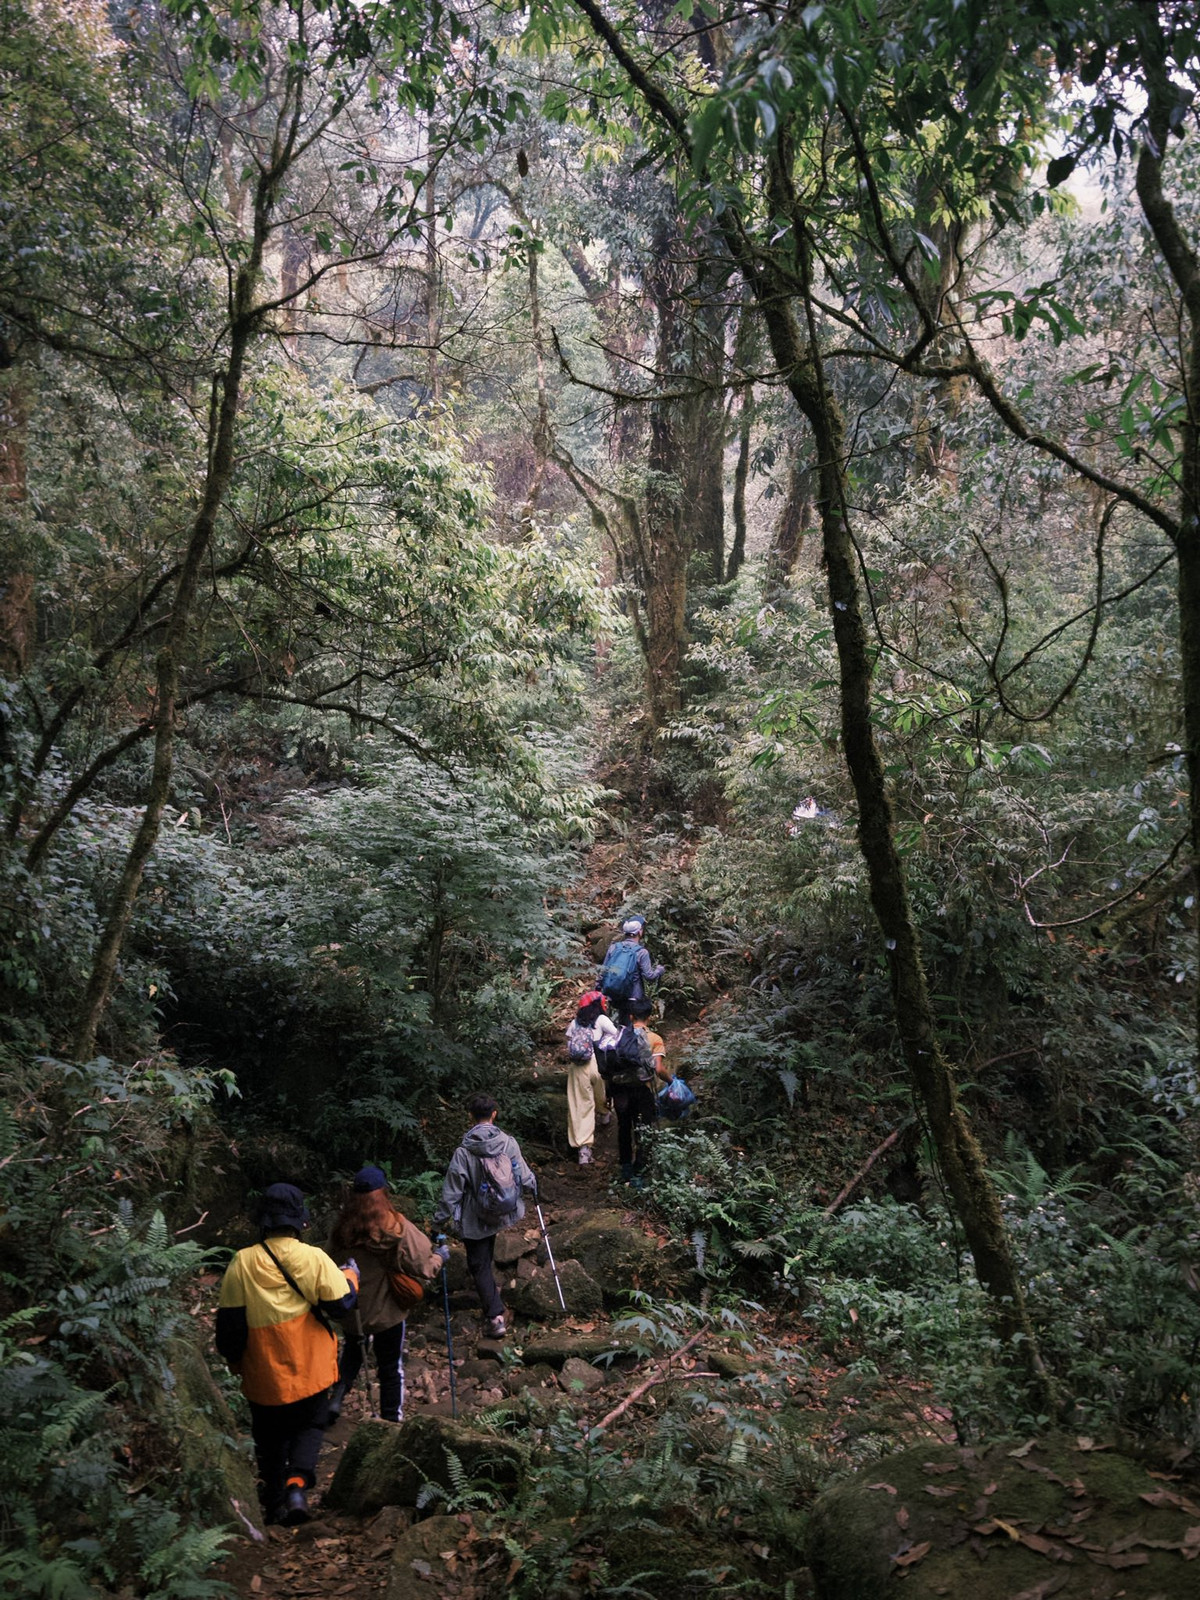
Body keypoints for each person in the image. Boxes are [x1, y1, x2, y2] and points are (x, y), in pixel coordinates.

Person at [216, 1182, 358, 1527]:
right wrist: (351, 1276)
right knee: (312, 1423)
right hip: (311, 1370)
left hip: (264, 1375)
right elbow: (342, 1305)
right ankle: (298, 1484)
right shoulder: (313, 1258)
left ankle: (273, 1504)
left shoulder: (242, 1263)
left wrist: (236, 1361)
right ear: (299, 1222)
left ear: (262, 1222)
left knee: (269, 1437)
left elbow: (230, 1329)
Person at [326, 1165, 447, 1424]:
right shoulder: (396, 1227)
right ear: (384, 1193)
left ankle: (337, 1396)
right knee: (390, 1365)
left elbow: (330, 1263)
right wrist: (440, 1257)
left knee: (352, 1352)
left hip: (354, 1308)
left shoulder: (342, 1229)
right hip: (386, 1312)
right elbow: (424, 1266)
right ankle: (391, 1419)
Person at [432, 1093, 538, 1339]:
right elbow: (522, 1173)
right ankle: (491, 1292)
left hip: (474, 1215)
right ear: (494, 1114)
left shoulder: (464, 1152)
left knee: (477, 1263)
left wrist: (439, 1220)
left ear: (470, 1117)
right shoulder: (508, 1143)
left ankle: (495, 1316)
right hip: (501, 1211)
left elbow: (452, 1192)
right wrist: (534, 1187)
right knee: (484, 1253)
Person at [611, 997, 671, 1186]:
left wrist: (607, 1093)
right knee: (643, 1129)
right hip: (641, 1090)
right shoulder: (654, 1039)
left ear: (630, 1016)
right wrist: (672, 1082)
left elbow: (610, 1068)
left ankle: (625, 1169)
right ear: (649, 1017)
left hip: (619, 1090)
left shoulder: (618, 1036)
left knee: (623, 1128)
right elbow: (660, 1070)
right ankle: (639, 1171)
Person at [565, 989, 618, 1165]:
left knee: (581, 1105)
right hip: (598, 1063)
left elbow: (569, 1043)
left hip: (578, 1067)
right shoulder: (602, 1020)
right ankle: (604, 1115)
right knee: (600, 1091)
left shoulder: (575, 1022)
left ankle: (584, 1150)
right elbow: (616, 1036)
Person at [598, 916, 664, 1025]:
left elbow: (603, 971)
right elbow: (649, 976)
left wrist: (599, 989)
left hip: (614, 994)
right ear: (639, 932)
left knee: (618, 1025)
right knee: (631, 1028)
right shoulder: (641, 952)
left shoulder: (614, 947)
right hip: (633, 996)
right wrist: (659, 970)